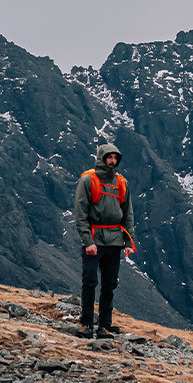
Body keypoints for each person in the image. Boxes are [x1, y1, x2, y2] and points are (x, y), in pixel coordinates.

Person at [74, 143, 134, 339]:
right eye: (110, 157)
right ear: (102, 158)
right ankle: (86, 323)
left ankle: (105, 326)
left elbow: (128, 214)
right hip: (94, 239)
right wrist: (87, 240)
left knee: (110, 284)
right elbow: (80, 213)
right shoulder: (87, 181)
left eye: (116, 158)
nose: (113, 161)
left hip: (115, 240)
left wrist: (127, 242)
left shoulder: (121, 183)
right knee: (90, 281)